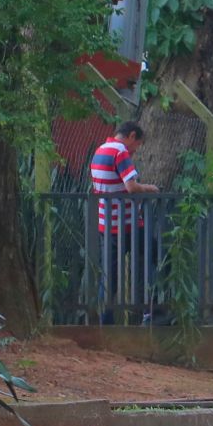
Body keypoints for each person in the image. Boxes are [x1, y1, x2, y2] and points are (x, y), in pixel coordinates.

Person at [89, 122, 161, 323]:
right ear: (131, 136)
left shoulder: (100, 150)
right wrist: (148, 188)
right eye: (138, 143)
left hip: (106, 224)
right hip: (127, 225)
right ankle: (151, 311)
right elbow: (131, 186)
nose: (136, 148)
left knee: (109, 277)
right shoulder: (120, 151)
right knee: (159, 257)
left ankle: (106, 323)